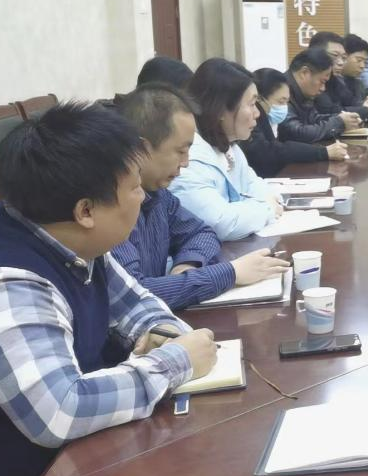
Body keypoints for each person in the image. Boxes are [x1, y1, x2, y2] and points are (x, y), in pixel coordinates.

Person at [0, 103, 217, 476]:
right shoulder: (6, 282)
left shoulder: (68, 236)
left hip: (74, 471)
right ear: (86, 210)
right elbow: (61, 410)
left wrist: (160, 334)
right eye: (135, 187)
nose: (144, 197)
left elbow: (138, 304)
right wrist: (176, 361)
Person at [110, 84, 290, 309]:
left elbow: (202, 232)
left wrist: (188, 265)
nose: (186, 163)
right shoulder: (111, 207)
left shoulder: (159, 195)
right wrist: (231, 273)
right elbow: (134, 295)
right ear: (141, 149)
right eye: (180, 151)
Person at [169, 58, 282, 241]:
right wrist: (267, 209)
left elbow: (254, 185)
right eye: (251, 104)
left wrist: (264, 203)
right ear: (221, 110)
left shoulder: (228, 146)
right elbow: (220, 222)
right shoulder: (188, 158)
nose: (257, 113)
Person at [242, 67, 348, 177]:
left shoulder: (271, 119)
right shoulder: (253, 121)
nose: (284, 107)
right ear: (259, 99)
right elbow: (271, 151)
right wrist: (322, 152)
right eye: (280, 101)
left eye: (286, 102)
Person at [279, 49, 360, 144]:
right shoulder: (280, 90)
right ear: (304, 73)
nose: (323, 88)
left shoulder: (302, 92)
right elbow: (297, 133)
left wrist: (343, 118)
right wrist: (339, 122)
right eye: (322, 81)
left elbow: (314, 119)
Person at [308, 31, 368, 123]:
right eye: (335, 56)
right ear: (315, 54)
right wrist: (366, 110)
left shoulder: (335, 79)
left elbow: (351, 101)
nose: (341, 62)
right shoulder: (311, 79)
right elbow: (329, 111)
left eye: (343, 58)